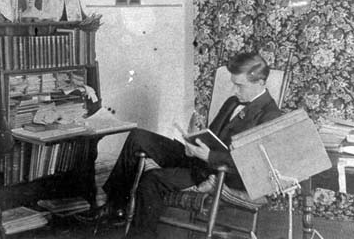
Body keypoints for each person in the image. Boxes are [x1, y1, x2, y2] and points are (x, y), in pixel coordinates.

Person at [100, 52, 282, 238]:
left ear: (260, 83)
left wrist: (209, 156)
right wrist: (194, 143)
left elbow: (253, 162)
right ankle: (114, 205)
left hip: (219, 172)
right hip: (199, 158)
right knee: (138, 137)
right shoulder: (233, 102)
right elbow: (213, 135)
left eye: (240, 86)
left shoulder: (270, 115)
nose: (235, 91)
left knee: (151, 179)